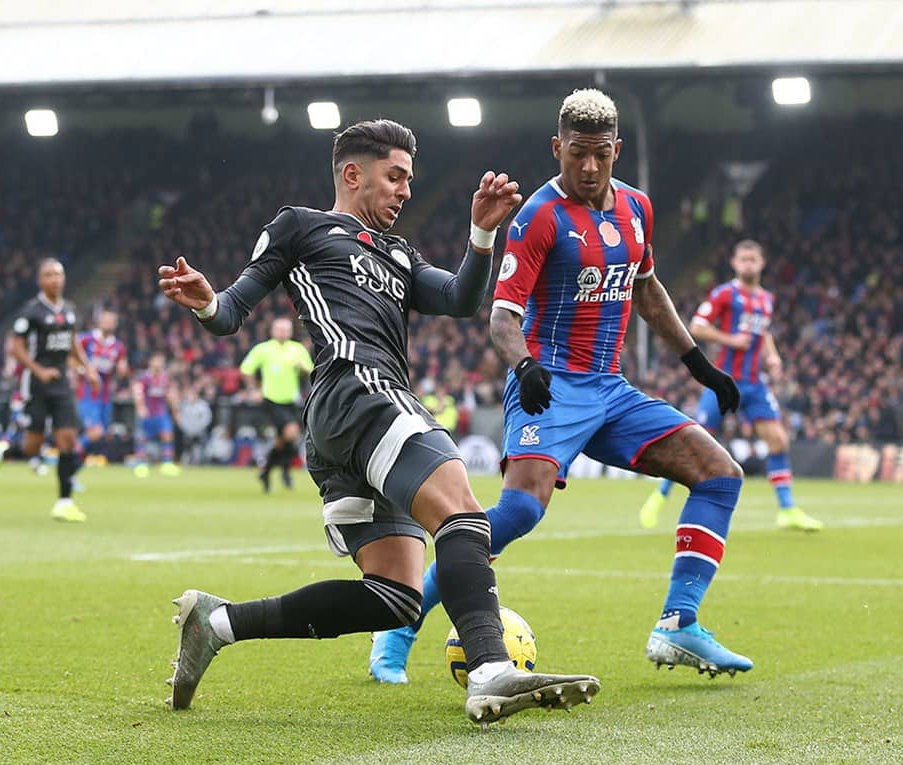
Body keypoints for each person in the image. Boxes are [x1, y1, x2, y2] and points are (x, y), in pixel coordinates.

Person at [156, 118, 600, 726]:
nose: (406, 191)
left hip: (348, 422)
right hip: (356, 388)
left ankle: (218, 622)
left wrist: (481, 233)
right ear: (352, 173)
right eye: (395, 177)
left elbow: (462, 300)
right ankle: (490, 668)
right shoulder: (301, 226)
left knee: (395, 596)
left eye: (409, 180)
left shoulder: (398, 253)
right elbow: (232, 310)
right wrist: (207, 301)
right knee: (463, 511)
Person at [369, 89, 751, 685]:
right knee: (521, 509)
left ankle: (679, 622)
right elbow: (502, 316)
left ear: (617, 149)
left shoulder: (637, 208)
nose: (590, 167)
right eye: (578, 154)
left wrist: (697, 362)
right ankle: (400, 622)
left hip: (610, 390)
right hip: (549, 385)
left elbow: (647, 289)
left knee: (720, 474)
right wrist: (524, 366)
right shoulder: (540, 216)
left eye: (601, 154)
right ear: (557, 148)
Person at [639, 240, 823, 532]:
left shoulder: (766, 299)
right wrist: (731, 340)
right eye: (743, 259)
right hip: (723, 382)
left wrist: (772, 356)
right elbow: (697, 327)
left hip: (755, 384)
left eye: (753, 259)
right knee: (693, 442)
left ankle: (787, 510)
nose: (748, 264)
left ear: (762, 263)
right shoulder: (724, 294)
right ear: (735, 263)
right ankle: (659, 496)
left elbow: (763, 333)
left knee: (778, 441)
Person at [0, 258, 101, 522]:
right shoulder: (31, 312)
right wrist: (39, 371)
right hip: (36, 385)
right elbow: (16, 348)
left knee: (67, 440)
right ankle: (1, 453)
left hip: (61, 384)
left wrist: (88, 368)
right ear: (40, 281)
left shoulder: (69, 310)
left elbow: (72, 343)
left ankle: (64, 502)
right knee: (32, 448)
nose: (55, 279)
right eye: (49, 275)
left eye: (58, 274)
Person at [239, 317, 313, 491]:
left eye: (286, 329)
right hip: (271, 400)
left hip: (291, 400)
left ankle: (266, 472)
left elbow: (311, 371)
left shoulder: (297, 349)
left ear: (290, 331)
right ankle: (285, 471)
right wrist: (254, 389)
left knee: (281, 442)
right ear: (272, 330)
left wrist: (303, 368)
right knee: (292, 434)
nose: (282, 332)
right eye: (279, 329)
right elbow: (246, 369)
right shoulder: (263, 349)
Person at [76, 310, 128, 467]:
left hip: (105, 396)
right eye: (105, 320)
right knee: (96, 431)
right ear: (98, 322)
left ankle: (77, 462)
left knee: (102, 433)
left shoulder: (118, 346)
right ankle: (70, 453)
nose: (107, 323)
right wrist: (84, 371)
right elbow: (71, 359)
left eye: (111, 321)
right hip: (87, 394)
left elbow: (122, 368)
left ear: (115, 324)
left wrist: (123, 370)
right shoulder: (86, 339)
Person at [132, 351, 180, 477]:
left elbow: (171, 394)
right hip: (147, 413)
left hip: (161, 413)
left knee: (167, 435)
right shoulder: (143, 377)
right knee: (142, 438)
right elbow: (138, 392)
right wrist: (140, 407)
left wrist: (175, 410)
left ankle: (167, 464)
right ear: (151, 362)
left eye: (161, 361)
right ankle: (141, 464)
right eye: (157, 361)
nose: (159, 364)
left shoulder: (166, 378)